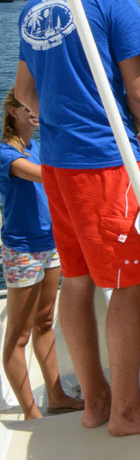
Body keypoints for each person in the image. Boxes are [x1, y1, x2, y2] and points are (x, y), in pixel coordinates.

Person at [14, 0, 140, 436]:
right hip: (102, 161)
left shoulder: (38, 2)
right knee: (132, 279)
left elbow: (24, 96)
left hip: (56, 162)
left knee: (76, 283)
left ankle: (95, 401)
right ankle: (126, 410)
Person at [0, 90, 82, 421]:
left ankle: (57, 395)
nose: (33, 111)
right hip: (22, 248)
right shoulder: (6, 153)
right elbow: (46, 177)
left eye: (36, 105)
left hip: (51, 244)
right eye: (25, 106)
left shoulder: (40, 147)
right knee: (18, 335)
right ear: (12, 111)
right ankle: (31, 412)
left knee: (45, 321)